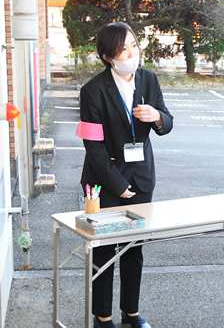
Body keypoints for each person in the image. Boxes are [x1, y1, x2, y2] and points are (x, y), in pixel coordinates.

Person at [77, 22, 173, 328]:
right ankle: (102, 316)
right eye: (123, 49)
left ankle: (130, 312)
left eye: (134, 45)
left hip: (142, 178)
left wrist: (157, 117)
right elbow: (93, 147)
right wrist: (118, 186)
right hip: (106, 181)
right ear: (108, 57)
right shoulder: (92, 91)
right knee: (104, 251)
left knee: (134, 250)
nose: (131, 52)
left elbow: (167, 121)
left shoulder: (149, 80)